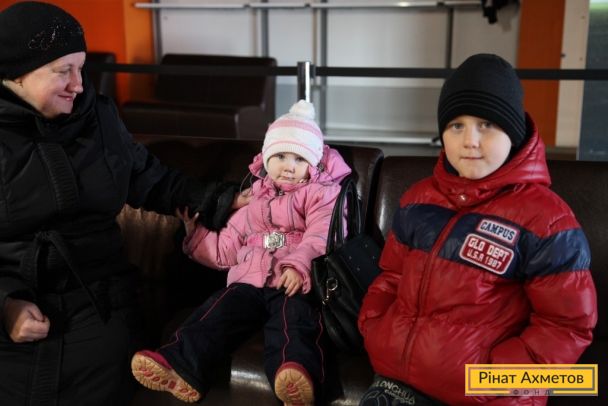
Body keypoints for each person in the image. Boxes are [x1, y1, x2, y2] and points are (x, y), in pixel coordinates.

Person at [0, 2, 247, 405]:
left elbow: (150, 179)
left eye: (82, 68)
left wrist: (224, 199)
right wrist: (6, 304)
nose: (78, 85)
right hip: (13, 305)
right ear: (16, 74)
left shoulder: (98, 118)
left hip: (98, 302)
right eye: (63, 70)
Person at [358, 53, 597, 406]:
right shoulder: (417, 200)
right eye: (457, 125)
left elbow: (568, 326)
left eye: (486, 124)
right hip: (397, 382)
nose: (470, 140)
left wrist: (495, 381)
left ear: (513, 133)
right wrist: (376, 327)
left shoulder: (547, 221)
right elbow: (391, 277)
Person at [130, 99, 352, 405]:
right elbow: (226, 249)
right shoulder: (254, 198)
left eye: (299, 158)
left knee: (294, 322)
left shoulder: (320, 193)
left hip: (291, 280)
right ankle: (179, 366)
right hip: (248, 279)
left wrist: (298, 266)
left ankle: (296, 376)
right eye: (281, 156)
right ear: (267, 158)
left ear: (312, 164)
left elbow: (321, 236)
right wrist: (196, 235)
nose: (288, 166)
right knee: (215, 313)